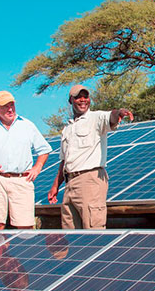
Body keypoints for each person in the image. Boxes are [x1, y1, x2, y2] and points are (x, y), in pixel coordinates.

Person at [47, 84, 132, 229]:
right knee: (70, 233)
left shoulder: (96, 118)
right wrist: (55, 186)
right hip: (69, 183)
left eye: (85, 97)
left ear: (89, 100)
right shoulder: (67, 128)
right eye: (78, 97)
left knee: (94, 231)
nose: (82, 100)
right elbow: (64, 160)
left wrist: (119, 113)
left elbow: (110, 117)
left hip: (90, 181)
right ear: (71, 100)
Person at [0, 90, 51, 230]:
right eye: (5, 106)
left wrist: (37, 168)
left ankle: (22, 252)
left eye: (12, 105)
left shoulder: (27, 125)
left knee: (25, 226)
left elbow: (44, 150)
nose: (10, 109)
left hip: (21, 179)